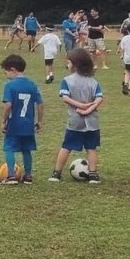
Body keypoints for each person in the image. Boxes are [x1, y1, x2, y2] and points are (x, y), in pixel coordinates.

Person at [48, 48, 103, 184]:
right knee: (91, 148)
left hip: (75, 120)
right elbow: (99, 98)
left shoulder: (67, 80)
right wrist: (89, 108)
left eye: (68, 62)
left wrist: (81, 106)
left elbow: (65, 98)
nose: (67, 65)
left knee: (66, 146)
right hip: (92, 121)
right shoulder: (93, 81)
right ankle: (93, 174)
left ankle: (56, 173)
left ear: (75, 64)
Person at [0, 53, 42, 184]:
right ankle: (28, 175)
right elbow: (40, 104)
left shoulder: (10, 85)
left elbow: (8, 105)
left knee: (9, 148)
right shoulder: (32, 85)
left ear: (12, 70)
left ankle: (11, 175)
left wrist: (3, 121)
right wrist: (39, 121)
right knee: (26, 149)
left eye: (6, 72)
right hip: (28, 124)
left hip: (14, 123)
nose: (6, 75)